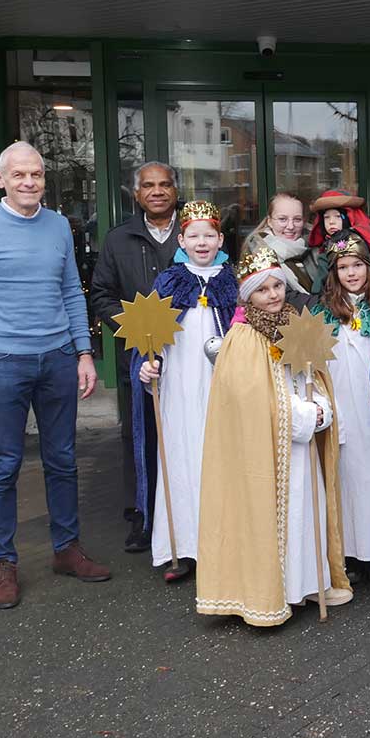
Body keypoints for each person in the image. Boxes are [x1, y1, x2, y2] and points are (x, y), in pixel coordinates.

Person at [0, 141, 109, 609]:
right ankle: (2, 562)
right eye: (19, 174)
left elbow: (71, 292)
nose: (29, 182)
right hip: (2, 363)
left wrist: (84, 352)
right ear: (1, 179)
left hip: (58, 358)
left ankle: (66, 549)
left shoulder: (59, 225)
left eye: (36, 174)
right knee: (3, 466)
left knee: (63, 459)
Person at [195, 247, 352, 627]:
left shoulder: (295, 324)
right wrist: (303, 416)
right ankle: (271, 593)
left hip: (301, 447)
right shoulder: (243, 338)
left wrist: (323, 409)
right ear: (248, 295)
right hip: (267, 448)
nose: (273, 294)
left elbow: (313, 377)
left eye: (277, 286)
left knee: (304, 512)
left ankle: (306, 583)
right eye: (262, 289)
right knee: (271, 513)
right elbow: (252, 399)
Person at [132, 201, 237, 583]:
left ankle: (225, 544)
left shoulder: (233, 281)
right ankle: (184, 547)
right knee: (181, 458)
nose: (202, 242)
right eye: (193, 235)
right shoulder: (169, 282)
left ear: (221, 239)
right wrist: (148, 363)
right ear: (181, 240)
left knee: (222, 456)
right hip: (178, 385)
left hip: (222, 384)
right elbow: (149, 337)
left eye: (209, 234)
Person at [91, 161, 181, 552]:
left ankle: (190, 513)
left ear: (175, 189)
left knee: (189, 433)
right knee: (139, 436)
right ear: (136, 193)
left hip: (189, 354)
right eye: (149, 185)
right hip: (139, 354)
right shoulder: (118, 239)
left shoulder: (196, 231)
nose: (157, 191)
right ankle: (143, 515)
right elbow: (101, 295)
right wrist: (135, 329)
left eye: (164, 184)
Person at [312, 232, 370, 585]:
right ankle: (345, 553)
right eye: (343, 267)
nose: (351, 273)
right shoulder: (320, 311)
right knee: (341, 475)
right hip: (338, 401)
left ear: (369, 268)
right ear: (334, 273)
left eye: (357, 265)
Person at [307, 189, 370, 296]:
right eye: (326, 217)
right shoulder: (322, 250)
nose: (331, 222)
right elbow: (319, 285)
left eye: (337, 216)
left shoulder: (366, 243)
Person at [242, 192, 320, 296]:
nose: (290, 226)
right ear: (269, 221)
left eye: (297, 219)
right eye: (282, 219)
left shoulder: (316, 246)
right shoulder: (256, 255)